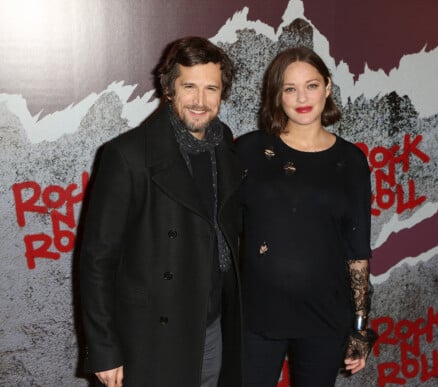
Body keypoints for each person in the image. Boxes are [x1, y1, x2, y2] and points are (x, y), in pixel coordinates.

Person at [78, 36, 242, 387]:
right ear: (169, 88)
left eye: (211, 88)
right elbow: (97, 260)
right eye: (189, 87)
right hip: (151, 334)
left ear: (222, 93)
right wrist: (105, 349)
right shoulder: (128, 155)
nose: (200, 101)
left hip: (211, 325)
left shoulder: (225, 143)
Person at [237, 47, 377, 387]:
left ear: (327, 88)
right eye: (289, 88)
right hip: (255, 314)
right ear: (277, 95)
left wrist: (360, 325)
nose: (302, 97)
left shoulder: (351, 160)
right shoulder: (248, 151)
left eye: (311, 85)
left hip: (324, 316)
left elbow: (357, 249)